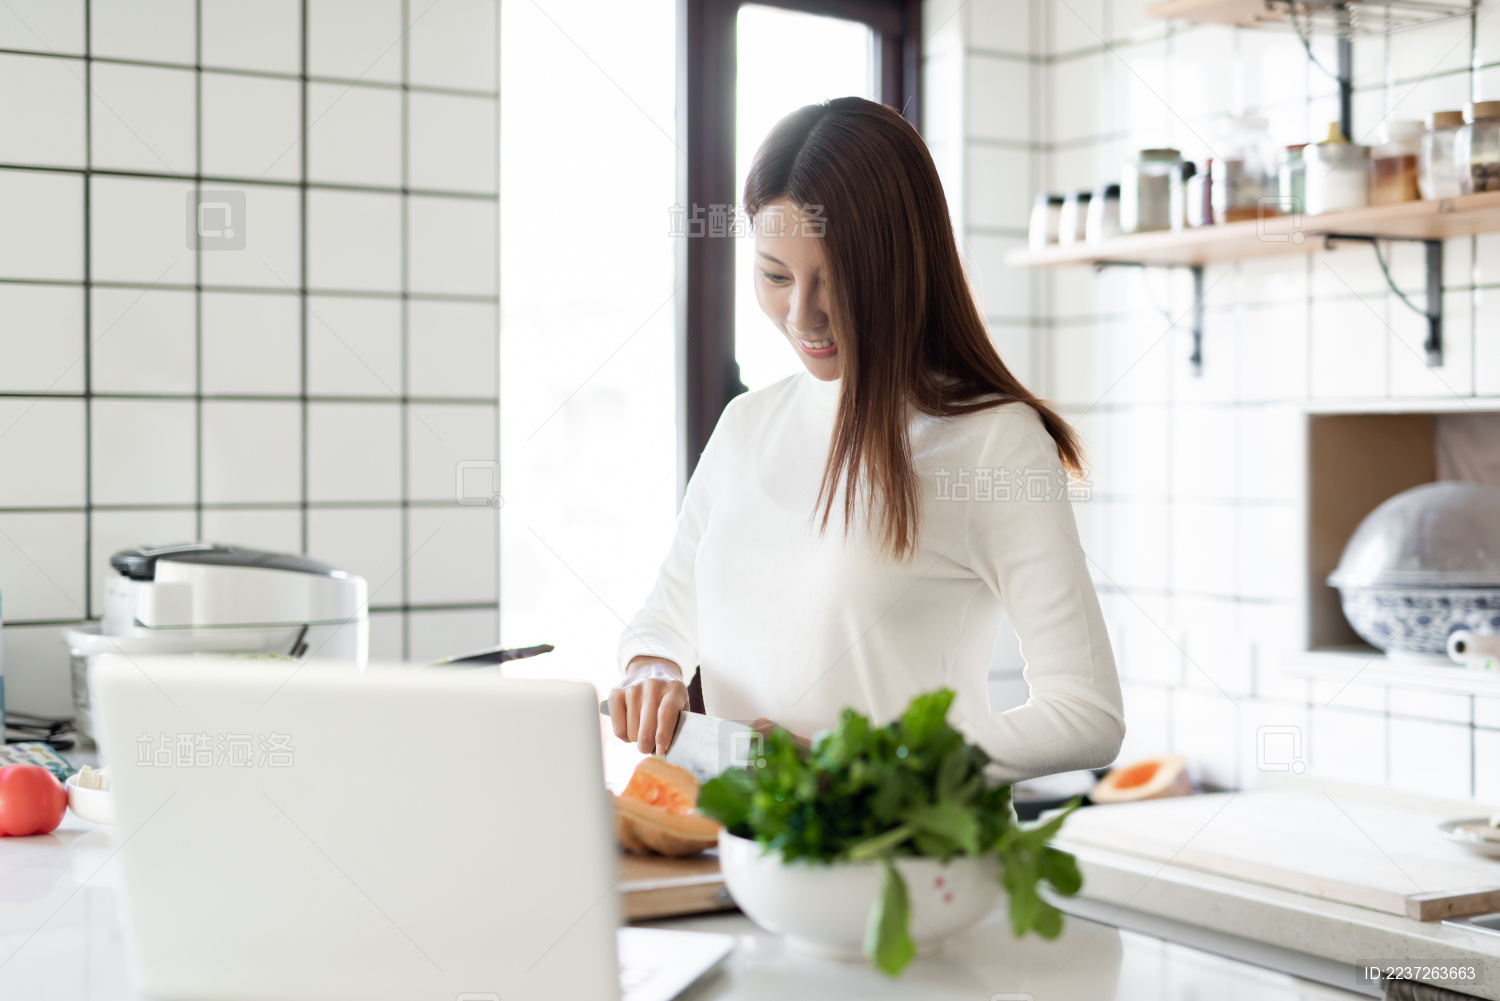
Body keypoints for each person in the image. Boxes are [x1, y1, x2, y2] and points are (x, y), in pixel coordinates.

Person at [607, 97, 1123, 783]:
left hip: (909, 867)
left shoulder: (993, 441)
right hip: (754, 855)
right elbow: (661, 622)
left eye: (836, 278)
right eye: (775, 276)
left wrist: (867, 770)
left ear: (900, 266)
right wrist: (651, 668)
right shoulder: (745, 427)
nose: (803, 314)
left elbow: (1087, 711)